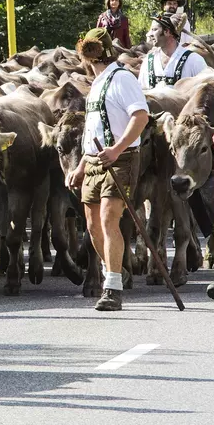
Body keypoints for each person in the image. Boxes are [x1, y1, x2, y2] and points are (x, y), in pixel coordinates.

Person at [66, 28, 149, 311]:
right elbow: (92, 131)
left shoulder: (122, 78)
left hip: (121, 158)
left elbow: (141, 116)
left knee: (107, 219)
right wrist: (80, 166)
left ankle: (112, 288)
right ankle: (112, 272)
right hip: (93, 161)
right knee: (91, 226)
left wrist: (117, 149)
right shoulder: (97, 83)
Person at [138, 12, 207, 90]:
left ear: (167, 32)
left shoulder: (194, 60)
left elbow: (208, 91)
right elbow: (141, 92)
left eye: (154, 29)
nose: (149, 34)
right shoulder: (148, 61)